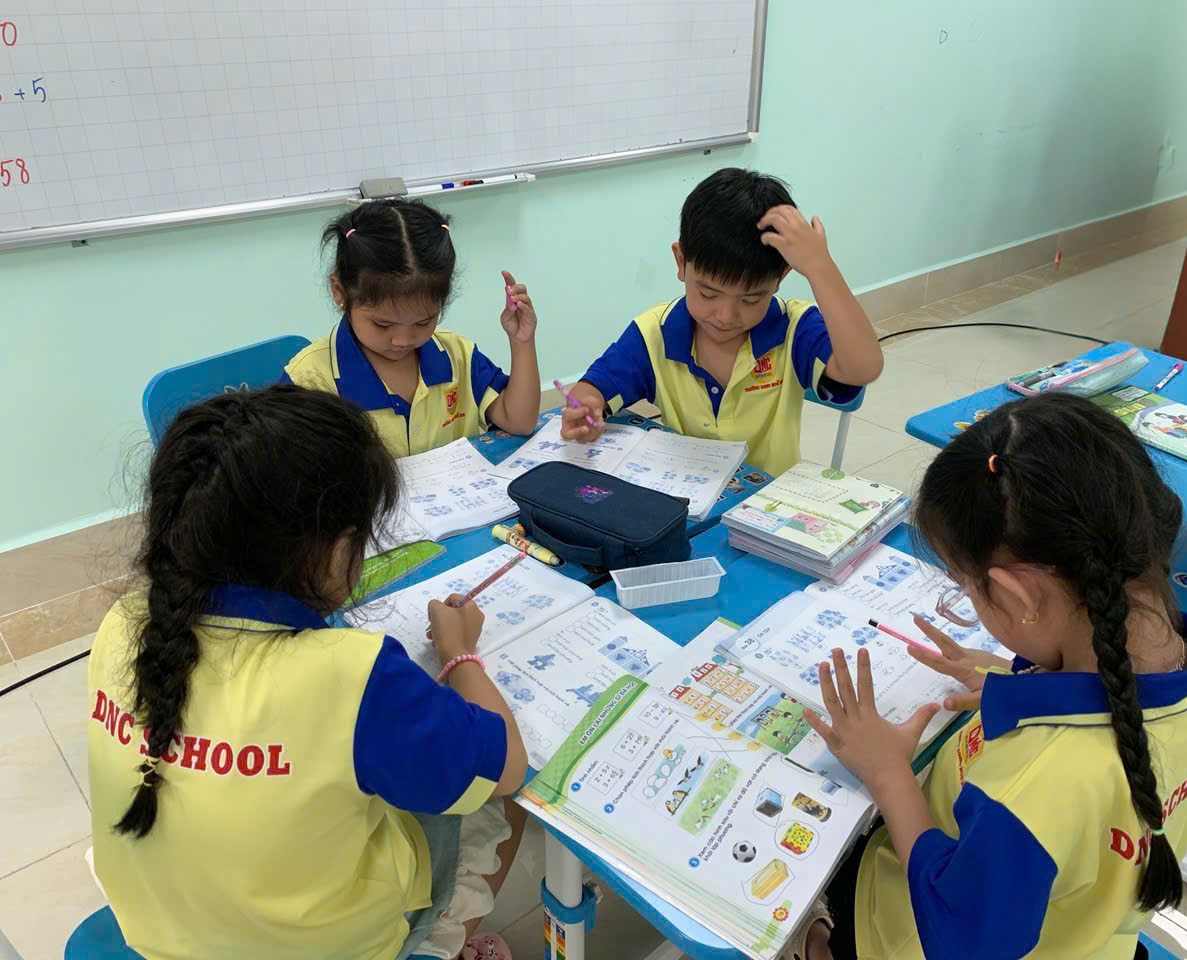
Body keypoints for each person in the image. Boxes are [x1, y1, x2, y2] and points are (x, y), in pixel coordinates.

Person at [87, 386, 529, 960]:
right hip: (328, 947)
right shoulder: (354, 673)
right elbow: (507, 766)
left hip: (160, 930)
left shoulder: (124, 621)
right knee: (498, 802)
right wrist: (459, 650)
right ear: (339, 552)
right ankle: (439, 943)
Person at [794, 393, 1187, 960]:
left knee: (835, 865)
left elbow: (961, 939)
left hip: (916, 933)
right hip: (1088, 938)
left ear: (1018, 596)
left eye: (964, 586)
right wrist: (1021, 678)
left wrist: (887, 773)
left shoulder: (1034, 787)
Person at [558, 168, 883, 476]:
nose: (726, 316)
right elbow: (595, 387)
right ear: (681, 262)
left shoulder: (795, 329)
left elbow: (863, 368)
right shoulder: (655, 332)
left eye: (751, 299)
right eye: (708, 293)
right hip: (685, 498)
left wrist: (819, 267)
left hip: (767, 504)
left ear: (781, 277)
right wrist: (586, 406)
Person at [285, 198, 541, 457]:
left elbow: (520, 421)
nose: (402, 340)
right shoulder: (310, 381)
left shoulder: (457, 356)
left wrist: (521, 341)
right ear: (339, 291)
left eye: (423, 322)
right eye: (383, 324)